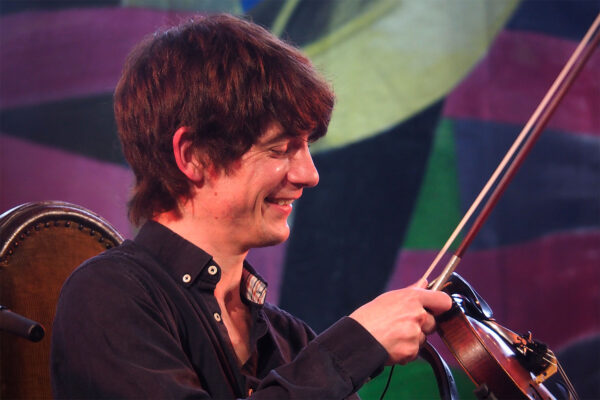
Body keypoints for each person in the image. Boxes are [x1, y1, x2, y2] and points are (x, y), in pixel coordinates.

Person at [50, 13, 451, 399]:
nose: (309, 175)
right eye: (280, 148)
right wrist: (353, 348)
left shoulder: (289, 338)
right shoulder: (108, 296)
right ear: (193, 156)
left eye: (307, 147)